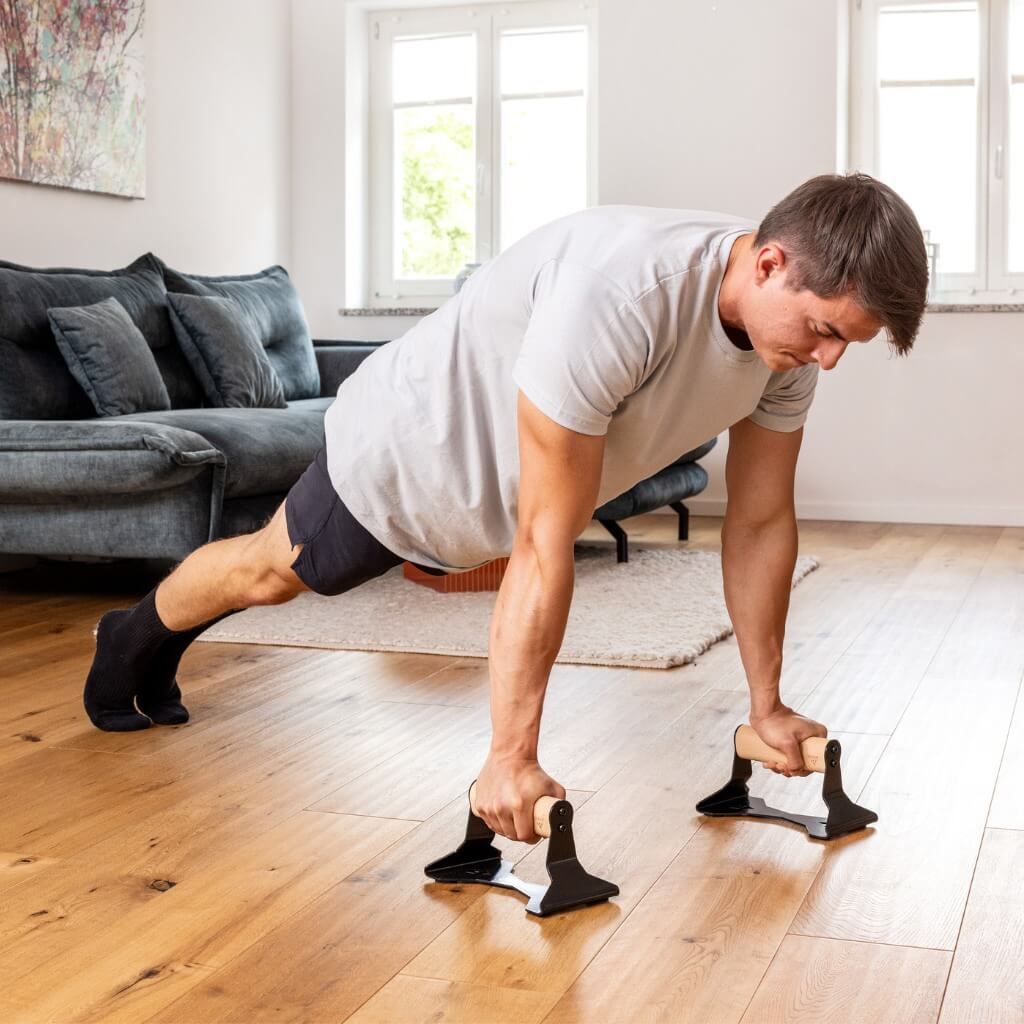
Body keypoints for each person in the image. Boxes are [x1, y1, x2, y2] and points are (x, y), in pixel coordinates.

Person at [84, 172, 928, 845]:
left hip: (498, 499)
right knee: (274, 572)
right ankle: (132, 638)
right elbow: (543, 536)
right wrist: (509, 758)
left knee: (287, 572)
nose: (826, 358)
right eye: (824, 329)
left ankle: (144, 639)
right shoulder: (624, 294)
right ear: (772, 262)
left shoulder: (790, 353)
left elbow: (760, 522)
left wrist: (766, 704)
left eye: (843, 342)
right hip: (408, 454)